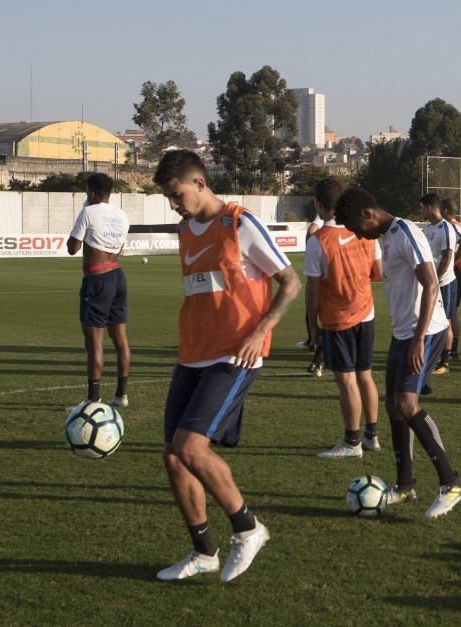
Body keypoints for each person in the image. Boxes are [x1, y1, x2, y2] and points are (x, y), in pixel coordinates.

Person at [152, 150, 301, 582]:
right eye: (167, 198)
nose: (173, 204)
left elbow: (291, 281)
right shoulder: (185, 230)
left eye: (176, 194)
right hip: (191, 354)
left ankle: (248, 528)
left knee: (191, 447)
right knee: (174, 458)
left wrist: (262, 331)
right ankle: (203, 552)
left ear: (199, 183)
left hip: (235, 353)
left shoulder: (239, 224)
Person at [334, 187, 461, 519]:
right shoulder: (387, 238)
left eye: (354, 226)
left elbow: (431, 283)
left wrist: (420, 339)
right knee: (394, 407)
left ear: (367, 214)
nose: (356, 234)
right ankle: (405, 485)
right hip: (402, 332)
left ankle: (451, 483)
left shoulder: (405, 231)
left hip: (426, 330)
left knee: (408, 404)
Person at [304, 178, 383, 458]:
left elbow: (312, 293)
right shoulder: (365, 233)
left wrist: (312, 326)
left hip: (338, 320)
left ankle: (352, 443)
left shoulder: (318, 242)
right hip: (367, 313)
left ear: (318, 204)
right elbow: (377, 274)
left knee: (346, 381)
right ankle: (371, 436)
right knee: (365, 376)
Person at [65, 173, 131, 411]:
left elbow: (72, 248)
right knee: (121, 340)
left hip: (97, 279)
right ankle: (121, 395)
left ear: (91, 192)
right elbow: (119, 248)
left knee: (94, 342)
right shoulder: (122, 215)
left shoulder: (88, 212)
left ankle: (93, 401)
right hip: (117, 276)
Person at [419, 193, 461, 375]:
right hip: (432, 282)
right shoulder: (428, 229)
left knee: (446, 320)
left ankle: (444, 362)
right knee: (431, 318)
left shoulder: (446, 227)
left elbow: (447, 256)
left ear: (430, 208)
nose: (421, 211)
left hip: (444, 282)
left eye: (422, 208)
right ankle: (434, 354)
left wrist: (436, 279)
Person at [297, 213, 326, 377]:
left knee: (328, 325)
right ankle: (315, 357)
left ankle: (315, 354)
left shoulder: (322, 221)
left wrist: (312, 248)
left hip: (323, 282)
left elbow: (312, 230)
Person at [440, 199, 461, 360]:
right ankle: (449, 349)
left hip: (454, 272)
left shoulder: (453, 226)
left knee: (450, 313)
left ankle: (451, 350)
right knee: (449, 312)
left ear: (444, 211)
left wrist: (452, 261)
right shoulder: (450, 225)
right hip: (452, 271)